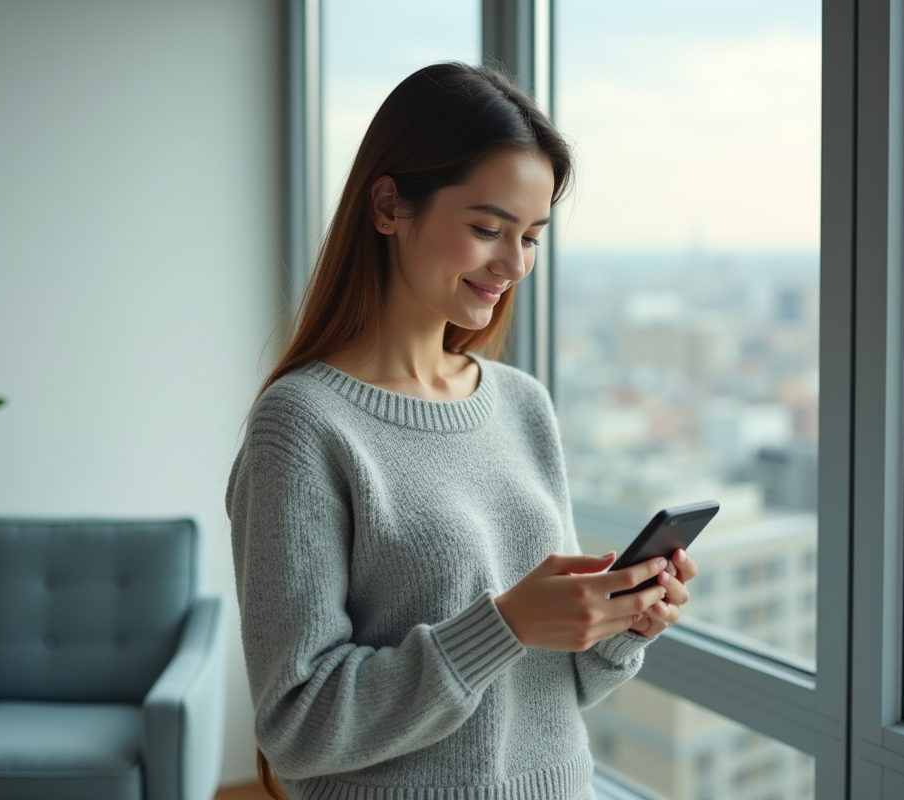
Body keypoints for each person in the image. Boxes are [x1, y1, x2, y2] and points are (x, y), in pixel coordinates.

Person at [227, 61, 697, 800]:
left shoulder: (522, 404)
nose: (514, 264)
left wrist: (622, 624)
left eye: (533, 237)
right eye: (487, 229)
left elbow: (554, 688)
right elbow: (297, 723)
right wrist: (503, 625)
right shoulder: (303, 427)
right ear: (388, 206)